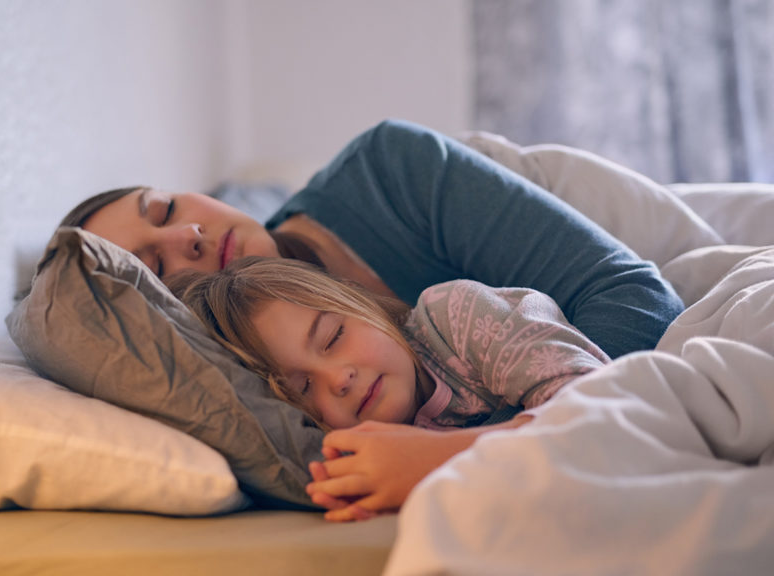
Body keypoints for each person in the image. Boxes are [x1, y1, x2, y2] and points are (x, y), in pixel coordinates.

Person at [66, 119, 683, 359]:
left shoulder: (390, 168)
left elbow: (640, 296)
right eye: (155, 263)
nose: (188, 234)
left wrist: (488, 439)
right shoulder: (271, 371)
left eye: (167, 207)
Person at [168, 256, 609, 521]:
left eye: (333, 337)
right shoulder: (337, 445)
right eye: (303, 389)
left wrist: (436, 456)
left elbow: (599, 407)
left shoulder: (456, 317)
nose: (338, 378)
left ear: (357, 300)